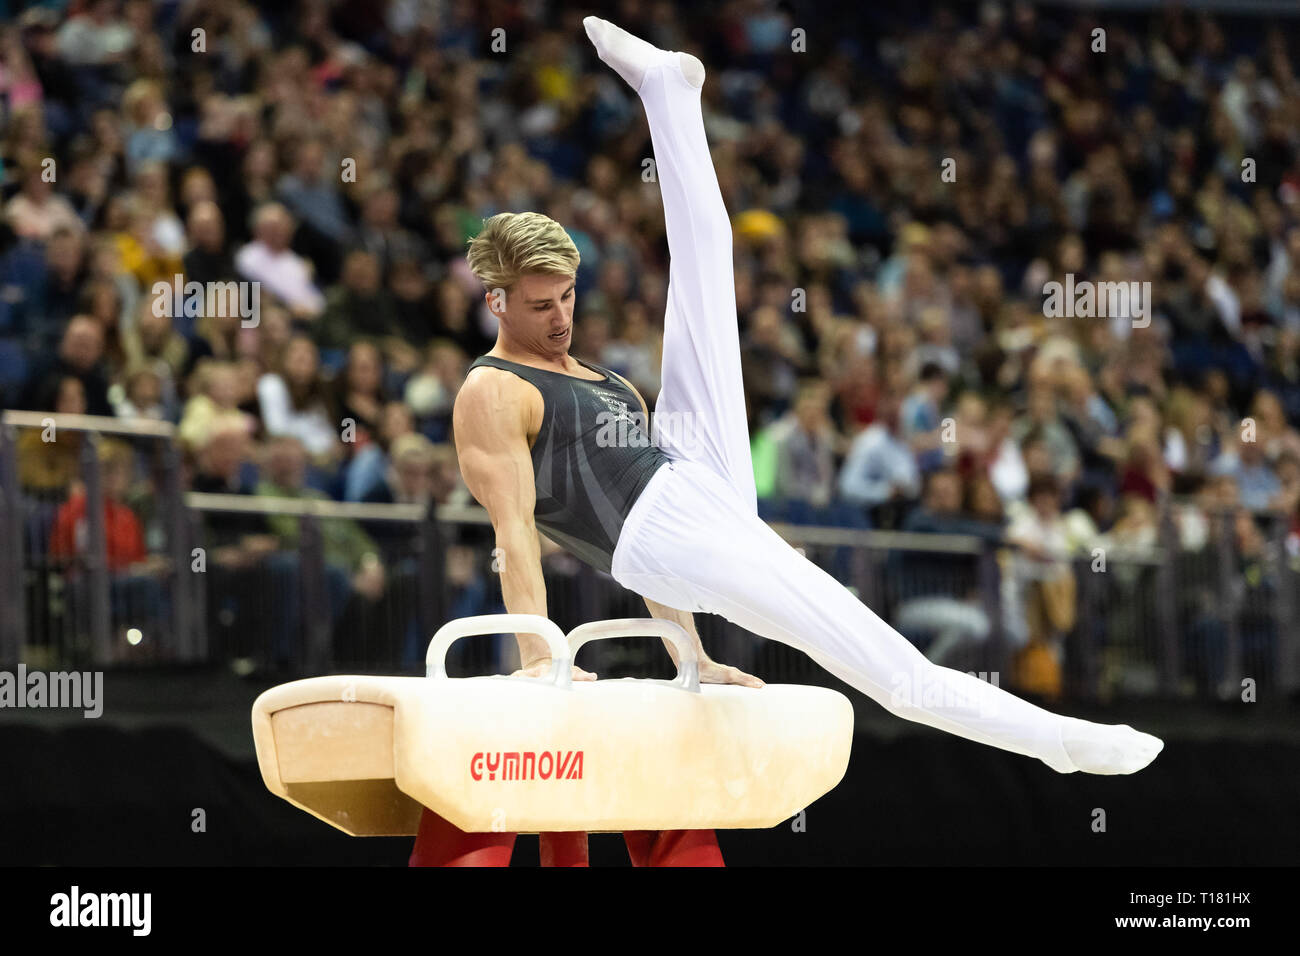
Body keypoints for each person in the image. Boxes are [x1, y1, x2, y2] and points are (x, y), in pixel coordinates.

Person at [440, 18, 1163, 868]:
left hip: (685, 478)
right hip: (667, 528)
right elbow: (515, 533)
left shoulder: (600, 378)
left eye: (568, 297)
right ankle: (1062, 741)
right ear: (495, 302)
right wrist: (537, 658)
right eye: (539, 305)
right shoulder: (492, 392)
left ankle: (670, 95)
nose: (561, 317)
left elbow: (649, 558)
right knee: (891, 673)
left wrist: (691, 654)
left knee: (706, 264)